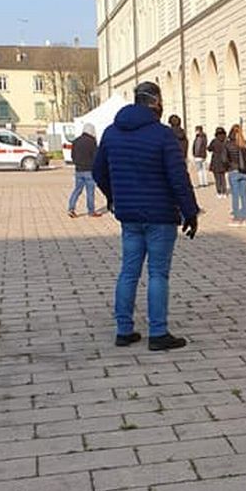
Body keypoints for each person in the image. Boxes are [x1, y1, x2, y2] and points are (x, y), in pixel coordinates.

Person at [92, 81, 199, 352]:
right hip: (160, 214)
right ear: (155, 103)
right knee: (158, 273)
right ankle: (158, 332)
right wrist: (190, 211)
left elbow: (98, 171)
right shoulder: (162, 135)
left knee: (128, 271)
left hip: (128, 214)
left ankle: (124, 329)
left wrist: (114, 197)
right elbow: (178, 177)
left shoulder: (111, 133)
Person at [67, 123, 101, 218]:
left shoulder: (76, 141)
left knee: (77, 190)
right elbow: (96, 157)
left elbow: (72, 156)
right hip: (89, 170)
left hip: (78, 170)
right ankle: (91, 211)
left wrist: (77, 163)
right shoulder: (92, 142)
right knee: (90, 192)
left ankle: (71, 209)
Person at [226, 123, 246, 226]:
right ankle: (245, 219)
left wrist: (228, 166)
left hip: (234, 171)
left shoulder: (228, 144)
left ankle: (237, 219)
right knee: (243, 195)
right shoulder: (245, 143)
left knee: (235, 195)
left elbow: (224, 159)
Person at [208, 126, 229, 198]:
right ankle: (224, 192)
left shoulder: (214, 141)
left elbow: (209, 149)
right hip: (224, 161)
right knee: (223, 177)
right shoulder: (226, 141)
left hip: (215, 161)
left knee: (217, 178)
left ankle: (219, 192)